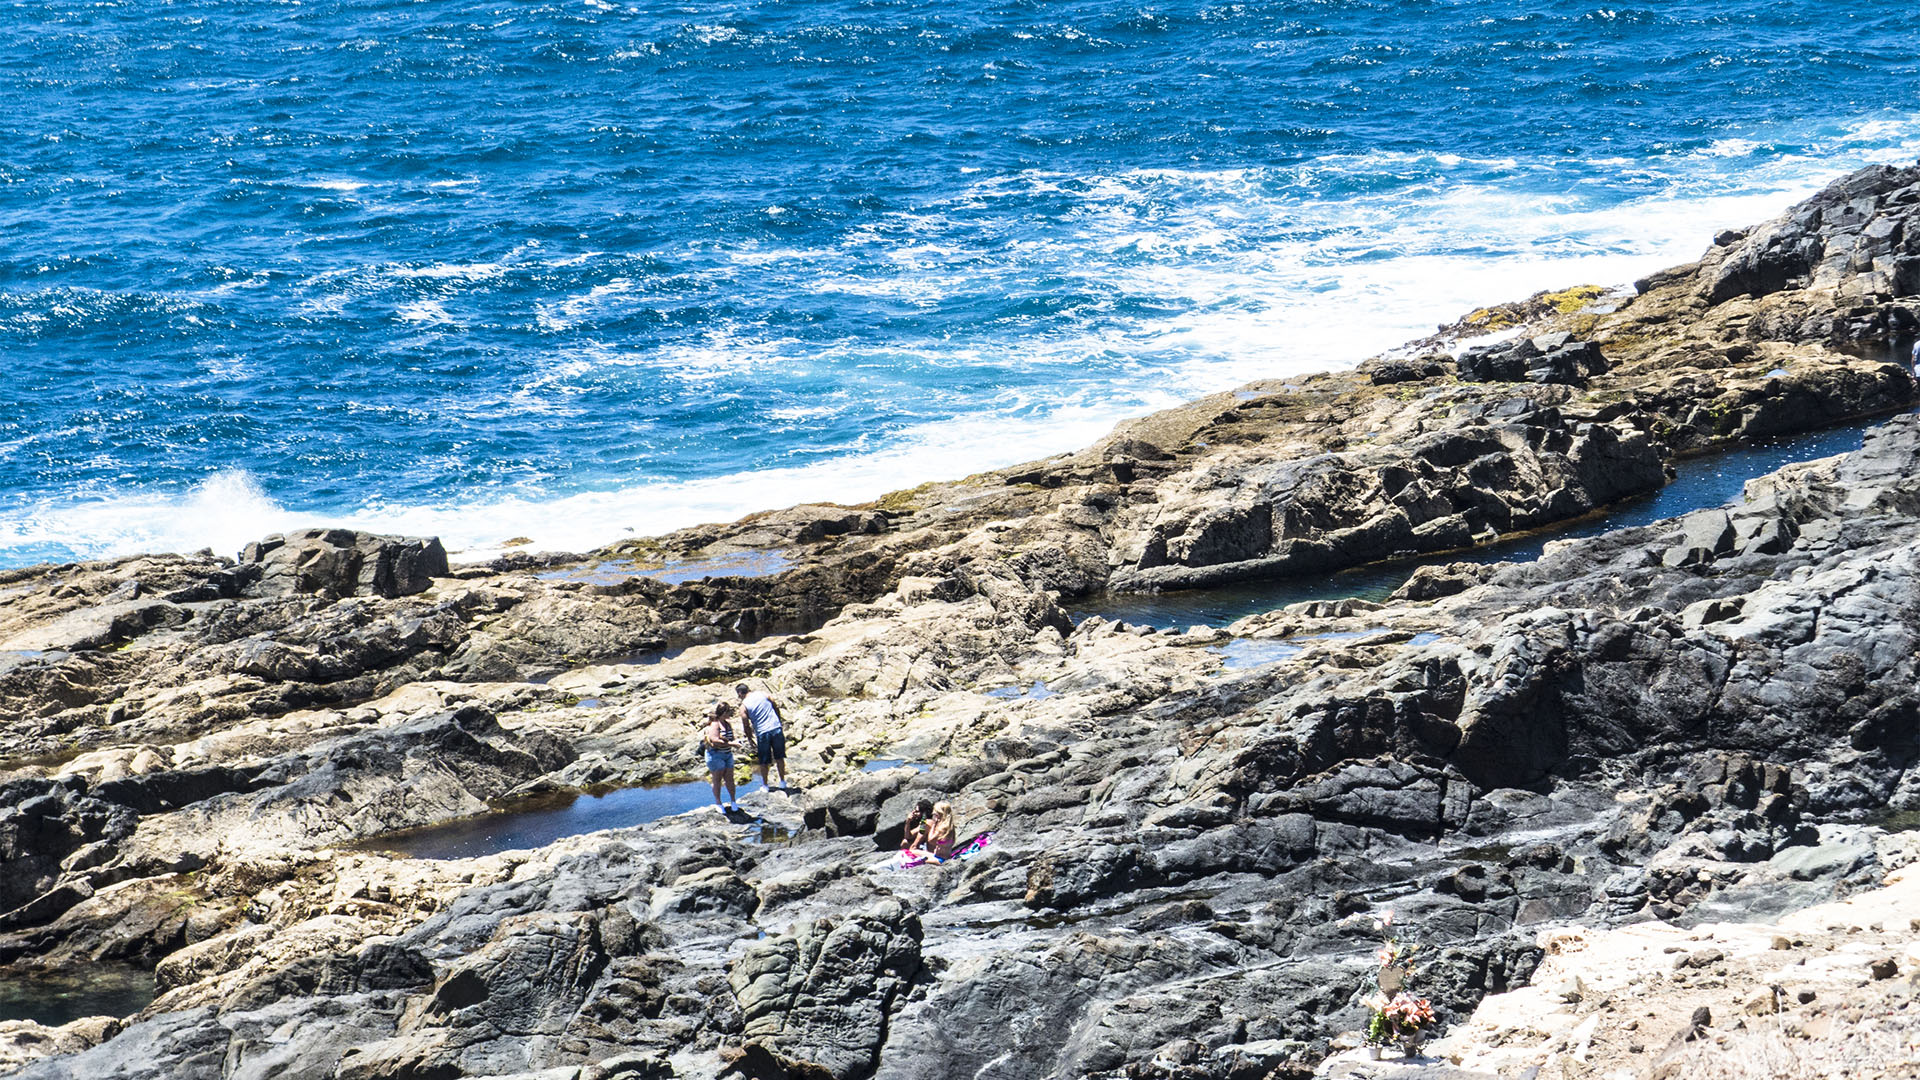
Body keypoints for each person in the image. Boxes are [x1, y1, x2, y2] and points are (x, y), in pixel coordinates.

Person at [736, 682, 789, 791]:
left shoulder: (744, 706)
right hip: (775, 728)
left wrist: (750, 738)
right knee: (779, 757)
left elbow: (746, 724)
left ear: (740, 693)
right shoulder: (762, 694)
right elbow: (774, 704)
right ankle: (782, 781)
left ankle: (765, 785)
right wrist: (778, 719)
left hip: (763, 732)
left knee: (764, 760)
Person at [701, 701, 740, 812]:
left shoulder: (727, 724)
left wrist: (735, 741)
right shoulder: (715, 724)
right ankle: (718, 803)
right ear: (723, 712)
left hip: (727, 754)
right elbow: (715, 740)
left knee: (730, 779)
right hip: (716, 755)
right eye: (729, 712)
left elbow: (730, 737)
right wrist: (732, 744)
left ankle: (733, 801)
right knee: (717, 779)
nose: (730, 714)